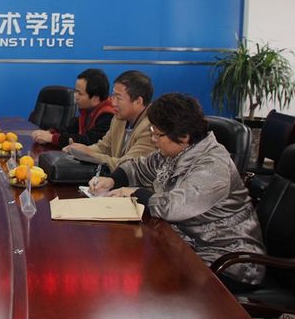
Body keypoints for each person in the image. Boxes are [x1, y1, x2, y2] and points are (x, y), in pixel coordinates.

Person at [89, 93, 266, 285]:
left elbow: (176, 207)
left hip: (228, 261)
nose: (153, 139)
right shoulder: (176, 152)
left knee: (145, 282)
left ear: (184, 136)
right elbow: (140, 167)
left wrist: (135, 193)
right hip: (186, 246)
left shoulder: (214, 166)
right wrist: (112, 180)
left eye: (157, 134)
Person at [64, 70, 155, 171]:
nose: (113, 103)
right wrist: (78, 150)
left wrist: (91, 154)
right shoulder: (119, 118)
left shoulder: (152, 128)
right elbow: (104, 147)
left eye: (118, 98)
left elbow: (129, 166)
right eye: (113, 95)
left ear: (138, 101)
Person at [32, 68, 115, 147]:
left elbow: (88, 141)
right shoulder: (87, 110)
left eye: (80, 93)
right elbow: (69, 129)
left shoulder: (108, 116)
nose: (75, 96)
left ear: (96, 99)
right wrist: (50, 132)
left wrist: (52, 138)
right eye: (75, 91)